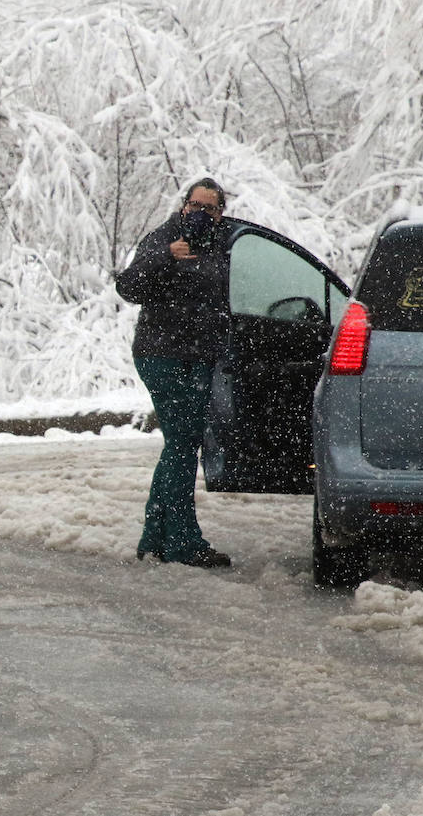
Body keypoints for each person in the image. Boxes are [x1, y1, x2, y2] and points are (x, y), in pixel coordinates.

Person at [114, 177, 234, 569]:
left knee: (180, 445)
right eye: (194, 206)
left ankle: (154, 539)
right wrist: (167, 255)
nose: (200, 215)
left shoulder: (224, 243)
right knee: (182, 445)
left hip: (199, 359)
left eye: (209, 208)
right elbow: (128, 286)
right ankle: (183, 543)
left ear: (220, 213)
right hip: (161, 356)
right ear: (184, 206)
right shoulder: (163, 238)